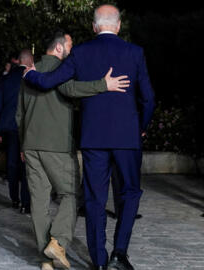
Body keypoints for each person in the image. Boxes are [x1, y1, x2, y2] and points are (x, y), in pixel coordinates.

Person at [23, 4, 155, 270]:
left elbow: (51, 82)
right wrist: (140, 126)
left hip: (93, 139)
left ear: (94, 27)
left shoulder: (81, 52)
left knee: (95, 199)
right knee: (130, 194)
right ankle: (119, 252)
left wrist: (31, 74)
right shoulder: (134, 52)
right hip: (127, 138)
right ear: (117, 26)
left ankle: (99, 260)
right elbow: (148, 98)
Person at [16, 32, 128, 270]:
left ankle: (46, 259)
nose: (72, 49)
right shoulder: (60, 70)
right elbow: (72, 89)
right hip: (56, 146)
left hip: (31, 145)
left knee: (39, 201)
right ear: (59, 48)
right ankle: (58, 241)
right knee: (71, 194)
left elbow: (20, 114)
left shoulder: (29, 73)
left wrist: (23, 144)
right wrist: (103, 85)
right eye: (70, 45)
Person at [0, 49, 32, 214]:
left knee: (13, 163)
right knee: (27, 165)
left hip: (10, 126)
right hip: (28, 126)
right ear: (30, 62)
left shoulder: (6, 79)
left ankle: (15, 198)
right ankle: (26, 203)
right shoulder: (32, 78)